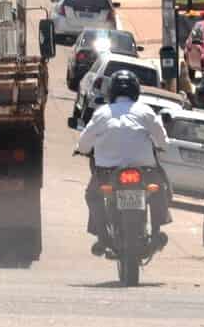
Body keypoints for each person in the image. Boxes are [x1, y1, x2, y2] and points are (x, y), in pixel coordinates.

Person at [74, 70, 172, 255]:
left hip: (107, 172)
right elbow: (162, 139)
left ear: (111, 92)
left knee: (92, 196)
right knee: (160, 189)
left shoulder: (102, 113)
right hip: (144, 170)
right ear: (135, 91)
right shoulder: (145, 111)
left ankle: (102, 237)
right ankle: (157, 231)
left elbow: (85, 141)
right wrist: (161, 146)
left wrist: (82, 149)